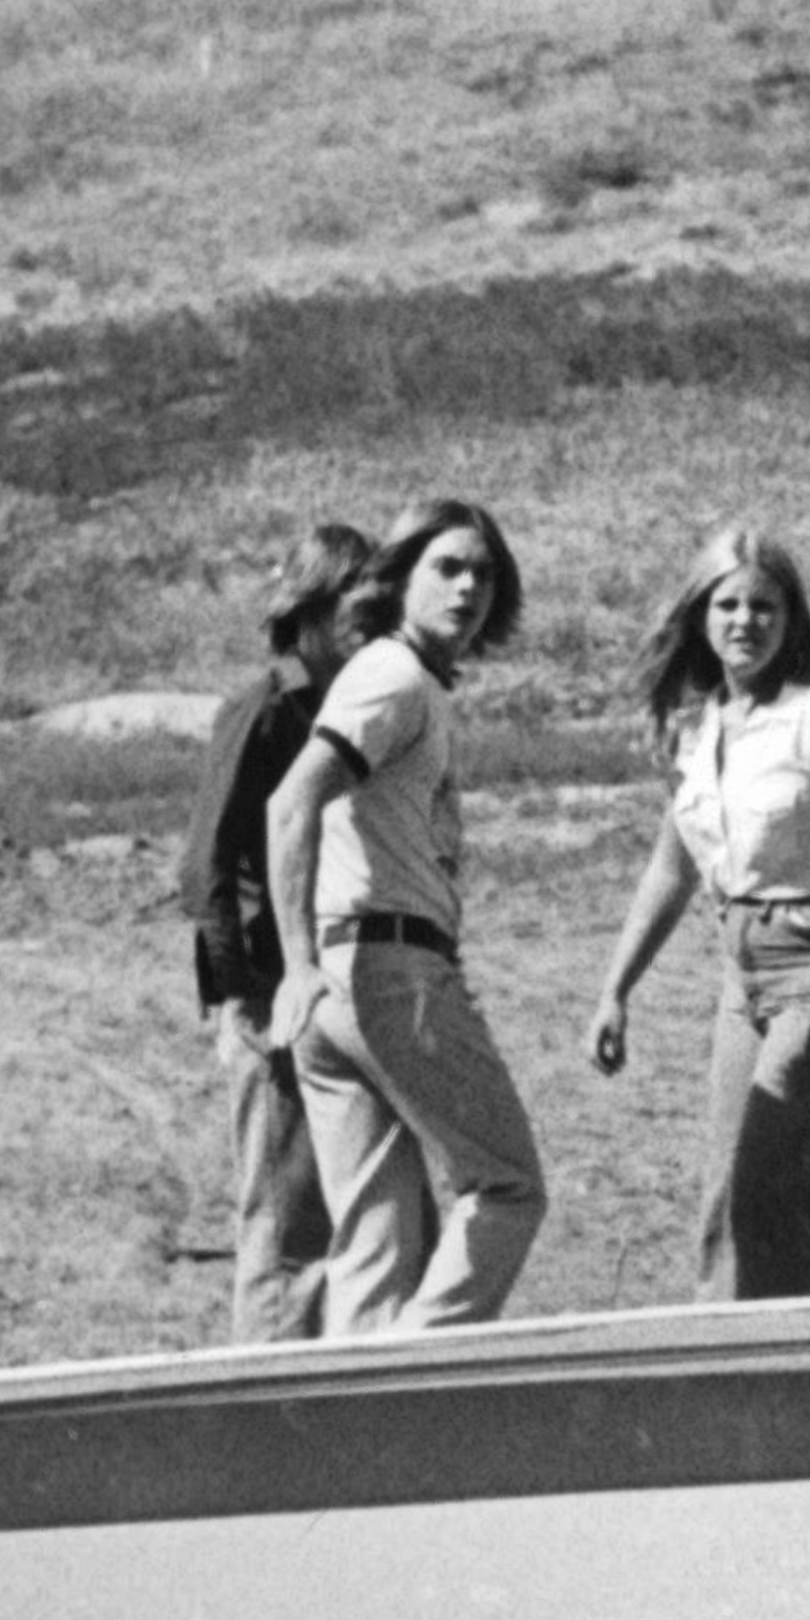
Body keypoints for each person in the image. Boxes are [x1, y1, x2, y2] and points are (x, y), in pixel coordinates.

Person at [585, 524, 810, 1299]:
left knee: (774, 1192)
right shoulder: (698, 732)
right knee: (722, 1204)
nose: (746, 621)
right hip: (743, 983)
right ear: (702, 616)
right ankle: (723, 1370)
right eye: (728, 604)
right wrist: (615, 990)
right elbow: (671, 869)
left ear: (792, 617)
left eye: (765, 606)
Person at [262, 503, 545, 1332]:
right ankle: (423, 1367)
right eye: (447, 567)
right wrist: (296, 963)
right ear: (399, 578)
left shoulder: (398, 677)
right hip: (386, 974)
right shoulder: (393, 677)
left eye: (484, 574)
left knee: (374, 1241)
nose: (468, 588)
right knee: (508, 1186)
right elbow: (290, 802)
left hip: (348, 990)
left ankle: (364, 1437)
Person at [181, 524, 376, 1342]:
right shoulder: (263, 708)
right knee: (284, 1222)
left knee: (339, 1211)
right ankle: (266, 1405)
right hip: (270, 993)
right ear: (309, 608)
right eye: (358, 605)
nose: (373, 622)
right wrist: (238, 999)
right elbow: (206, 866)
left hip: (336, 983)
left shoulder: (352, 703)